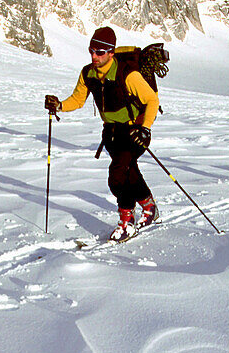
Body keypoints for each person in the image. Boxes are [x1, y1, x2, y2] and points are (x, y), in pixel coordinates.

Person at [46, 26, 159, 241]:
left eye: (100, 52)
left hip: (134, 130)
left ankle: (127, 221)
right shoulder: (88, 73)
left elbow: (151, 100)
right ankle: (149, 206)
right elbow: (78, 100)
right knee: (129, 170)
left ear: (111, 53)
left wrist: (145, 129)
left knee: (117, 176)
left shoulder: (128, 74)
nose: (94, 56)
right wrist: (59, 106)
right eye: (91, 50)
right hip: (111, 133)